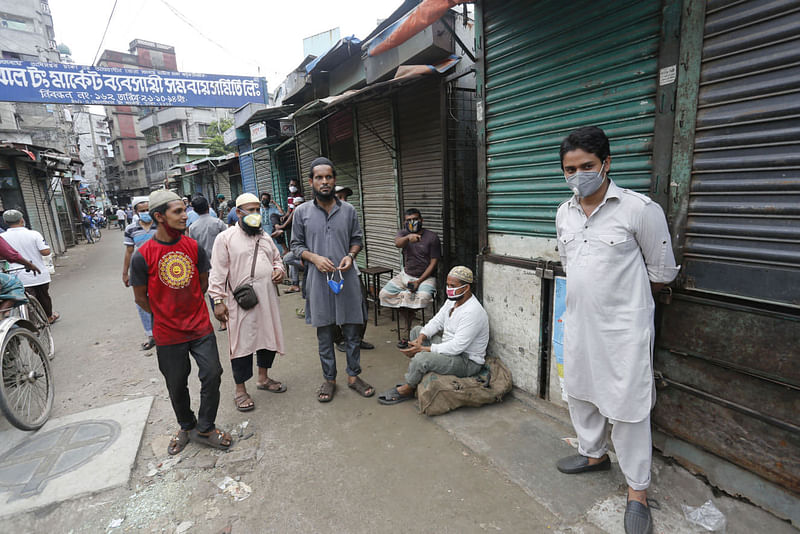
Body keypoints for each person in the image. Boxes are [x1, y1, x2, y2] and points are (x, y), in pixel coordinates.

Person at [554, 126, 679, 534]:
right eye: (570, 169)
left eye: (587, 166)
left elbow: (660, 274)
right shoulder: (564, 212)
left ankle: (637, 491)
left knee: (628, 408)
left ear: (606, 163)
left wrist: (621, 304)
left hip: (624, 331)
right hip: (578, 324)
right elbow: (573, 265)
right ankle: (593, 455)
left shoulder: (639, 209)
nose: (578, 175)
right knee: (580, 391)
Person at [130, 189, 230, 454]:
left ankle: (206, 427)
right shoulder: (143, 255)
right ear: (159, 216)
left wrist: (190, 308)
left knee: (212, 373)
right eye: (178, 212)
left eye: (185, 210)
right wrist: (165, 313)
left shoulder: (193, 247)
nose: (185, 216)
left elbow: (203, 282)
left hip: (199, 326)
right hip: (168, 333)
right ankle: (187, 425)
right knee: (176, 383)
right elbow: (141, 298)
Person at [291, 157, 374, 402]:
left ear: (334, 180)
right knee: (325, 333)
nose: (324, 182)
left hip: (346, 278)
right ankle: (329, 380)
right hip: (318, 281)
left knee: (351, 331)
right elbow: (295, 245)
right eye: (319, 177)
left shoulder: (348, 210)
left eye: (328, 177)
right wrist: (314, 258)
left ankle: (353, 375)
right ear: (311, 182)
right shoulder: (301, 212)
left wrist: (350, 255)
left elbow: (357, 240)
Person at [208, 193, 287, 412]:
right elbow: (218, 272)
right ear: (238, 213)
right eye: (249, 211)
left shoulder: (265, 236)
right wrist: (217, 300)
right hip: (240, 302)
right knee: (241, 346)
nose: (254, 214)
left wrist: (279, 271)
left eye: (256, 210)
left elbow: (276, 259)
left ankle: (263, 378)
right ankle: (240, 390)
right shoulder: (225, 238)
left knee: (267, 338)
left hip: (267, 298)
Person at [378, 266, 488, 405]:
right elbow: (437, 321)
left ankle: (409, 388)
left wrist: (424, 350)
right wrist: (421, 338)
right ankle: (418, 371)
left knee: (421, 359)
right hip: (449, 348)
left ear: (466, 287)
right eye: (447, 285)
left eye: (453, 286)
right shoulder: (452, 301)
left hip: (466, 361)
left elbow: (457, 347)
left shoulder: (473, 312)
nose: (449, 289)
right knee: (417, 331)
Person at [379, 208, 442, 348]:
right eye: (408, 220)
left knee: (423, 297)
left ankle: (412, 329)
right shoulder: (403, 234)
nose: (412, 222)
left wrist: (419, 281)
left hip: (426, 277)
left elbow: (434, 262)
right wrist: (408, 237)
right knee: (384, 294)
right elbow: (397, 243)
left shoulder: (432, 237)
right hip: (406, 275)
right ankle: (408, 318)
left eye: (415, 219)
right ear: (404, 222)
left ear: (421, 220)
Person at [0, 210, 59, 323]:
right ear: (22, 220)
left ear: (6, 222)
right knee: (44, 297)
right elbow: (45, 251)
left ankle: (29, 322)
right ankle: (49, 317)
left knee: (23, 300)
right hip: (38, 273)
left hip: (16, 275)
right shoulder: (34, 234)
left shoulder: (2, 237)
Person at [187, 196, 229, 330]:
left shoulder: (193, 228)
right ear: (208, 207)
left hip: (206, 266)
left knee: (214, 294)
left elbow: (193, 248)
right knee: (228, 289)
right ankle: (233, 317)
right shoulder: (218, 223)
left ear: (194, 210)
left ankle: (223, 322)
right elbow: (229, 242)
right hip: (223, 263)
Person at [122, 197, 158, 350]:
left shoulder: (160, 225)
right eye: (142, 210)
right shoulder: (131, 229)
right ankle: (151, 335)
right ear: (136, 211)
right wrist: (125, 273)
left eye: (147, 209)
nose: (145, 213)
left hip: (159, 268)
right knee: (141, 302)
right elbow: (129, 251)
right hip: (140, 270)